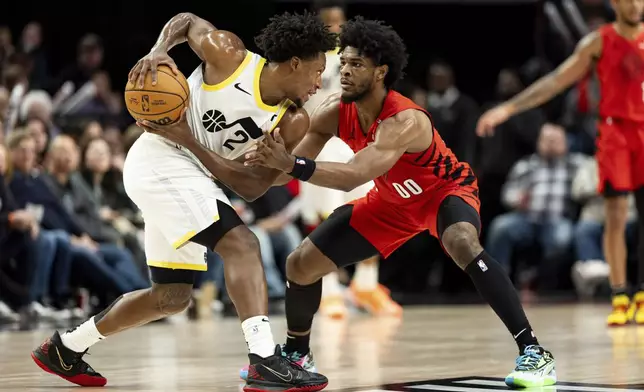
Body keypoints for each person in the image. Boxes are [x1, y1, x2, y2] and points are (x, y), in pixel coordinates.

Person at [242, 17, 556, 388]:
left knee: (461, 242)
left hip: (443, 192)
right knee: (300, 264)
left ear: (381, 72)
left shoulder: (405, 120)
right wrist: (261, 162)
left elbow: (355, 173)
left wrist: (289, 163)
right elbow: (287, 171)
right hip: (391, 202)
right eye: (342, 61)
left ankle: (534, 353)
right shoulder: (332, 111)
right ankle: (297, 355)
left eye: (356, 64)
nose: (344, 70)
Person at [31, 11, 336, 392]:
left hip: (192, 174)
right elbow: (188, 20)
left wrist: (194, 141)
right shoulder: (228, 55)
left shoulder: (292, 121)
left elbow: (253, 188)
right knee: (243, 244)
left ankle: (64, 348)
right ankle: (264, 360)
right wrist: (159, 50)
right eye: (317, 70)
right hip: (158, 158)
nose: (319, 82)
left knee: (170, 298)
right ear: (295, 63)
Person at [476, 0, 644, 326]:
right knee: (615, 215)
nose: (636, 5)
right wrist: (508, 108)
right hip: (615, 133)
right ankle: (621, 294)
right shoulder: (599, 41)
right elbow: (556, 80)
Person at [299, 0, 402, 322]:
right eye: (328, 23)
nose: (335, 29)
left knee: (373, 210)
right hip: (321, 143)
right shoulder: (306, 58)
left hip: (357, 143)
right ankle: (329, 290)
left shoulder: (360, 57)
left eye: (339, 23)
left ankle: (366, 284)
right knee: (328, 220)